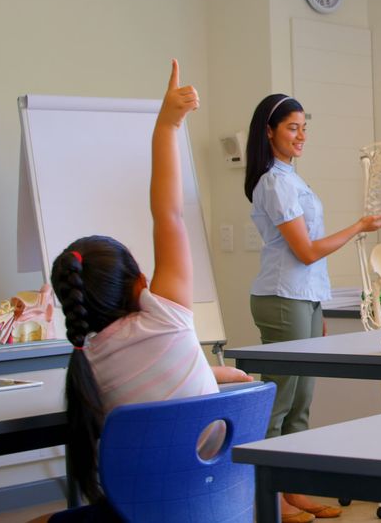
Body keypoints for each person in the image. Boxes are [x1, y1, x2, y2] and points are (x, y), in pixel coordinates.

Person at [39, 61, 253, 523]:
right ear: (139, 280)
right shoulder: (167, 315)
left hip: (140, 513)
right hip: (220, 505)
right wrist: (168, 125)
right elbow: (169, 213)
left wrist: (208, 371)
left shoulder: (90, 365)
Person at [244, 94, 381, 522]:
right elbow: (306, 251)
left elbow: (308, 261)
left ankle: (293, 488)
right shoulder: (274, 182)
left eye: (304, 128)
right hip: (282, 297)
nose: (301, 136)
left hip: (303, 297)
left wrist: (318, 307)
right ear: (269, 131)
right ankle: (270, 498)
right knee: (281, 400)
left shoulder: (291, 177)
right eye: (292, 128)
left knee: (301, 401)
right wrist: (359, 227)